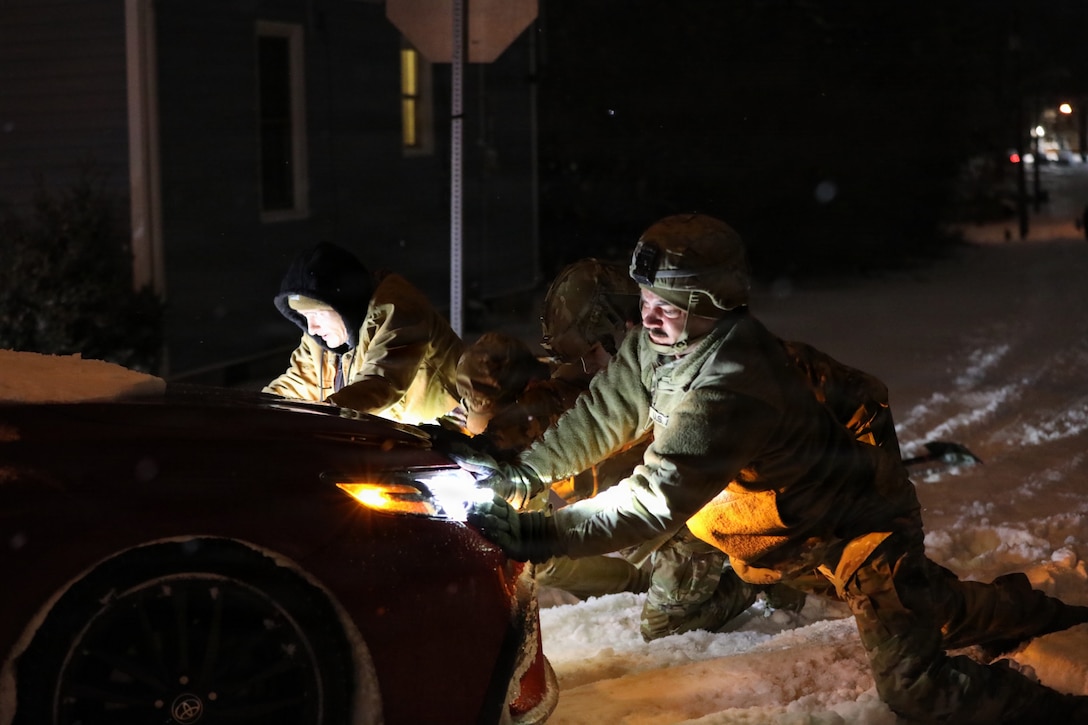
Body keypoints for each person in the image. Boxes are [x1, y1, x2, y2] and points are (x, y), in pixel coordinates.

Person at [463, 213, 1088, 722]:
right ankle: (1034, 611)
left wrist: (545, 533)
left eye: (668, 304)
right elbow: (600, 418)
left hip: (853, 531)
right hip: (780, 532)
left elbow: (654, 499)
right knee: (934, 605)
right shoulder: (662, 345)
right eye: (647, 298)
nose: (649, 315)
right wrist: (525, 475)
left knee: (915, 688)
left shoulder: (730, 383)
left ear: (711, 304)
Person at [264, 241, 464, 425]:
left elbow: (380, 384)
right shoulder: (323, 336)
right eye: (304, 316)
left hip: (450, 440)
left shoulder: (399, 311)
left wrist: (324, 416)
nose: (312, 327)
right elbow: (298, 381)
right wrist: (261, 409)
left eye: (317, 314)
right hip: (398, 445)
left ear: (344, 304)